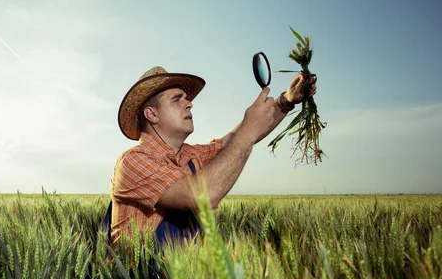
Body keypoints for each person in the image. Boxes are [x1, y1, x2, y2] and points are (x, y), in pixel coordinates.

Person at [103, 66, 316, 248]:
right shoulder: (133, 161)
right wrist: (248, 132)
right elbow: (201, 197)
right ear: (152, 114)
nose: (189, 103)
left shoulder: (190, 154)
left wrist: (286, 101)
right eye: (177, 99)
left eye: (187, 98)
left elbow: (234, 140)